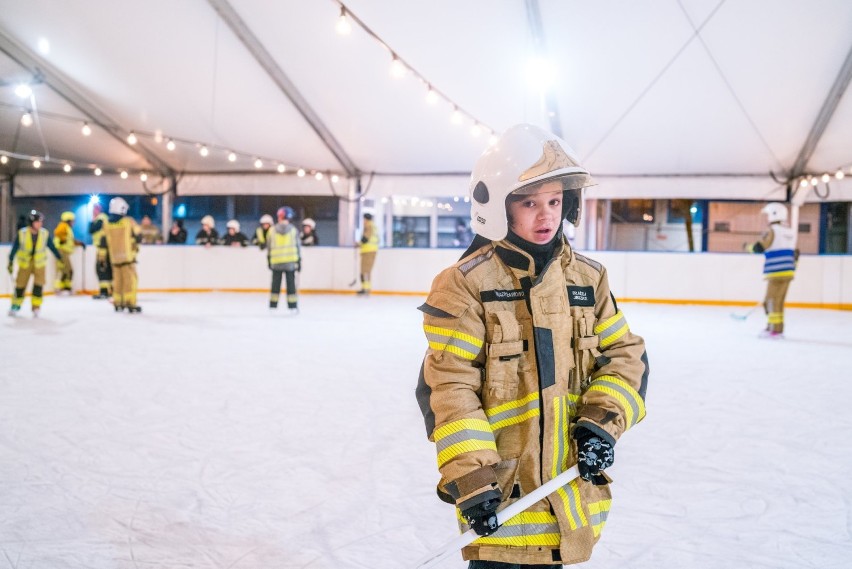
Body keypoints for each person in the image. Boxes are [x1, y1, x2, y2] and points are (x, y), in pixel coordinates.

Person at [414, 124, 649, 568]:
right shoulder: (465, 285)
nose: (546, 217)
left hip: (567, 499)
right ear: (499, 207)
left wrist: (603, 424)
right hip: (503, 500)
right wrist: (473, 478)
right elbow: (449, 389)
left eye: (555, 202)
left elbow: (626, 356)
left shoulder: (588, 278)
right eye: (529, 203)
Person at [745, 202, 797, 338]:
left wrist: (747, 247)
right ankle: (778, 329)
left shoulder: (772, 230)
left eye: (768, 214)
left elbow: (760, 247)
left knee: (770, 301)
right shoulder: (790, 231)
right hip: (788, 271)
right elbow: (795, 252)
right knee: (779, 301)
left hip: (776, 271)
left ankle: (773, 329)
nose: (767, 217)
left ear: (774, 214)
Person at [7, 210, 62, 317]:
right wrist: (10, 260)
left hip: (39, 264)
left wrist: (59, 257)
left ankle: (36, 307)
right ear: (31, 222)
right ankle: (15, 305)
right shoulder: (22, 233)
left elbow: (51, 246)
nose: (40, 224)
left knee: (38, 286)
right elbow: (15, 247)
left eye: (41, 222)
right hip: (25, 264)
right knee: (20, 286)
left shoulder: (44, 233)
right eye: (38, 222)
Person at [103, 197, 142, 313]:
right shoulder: (128, 221)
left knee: (117, 281)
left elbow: (103, 241)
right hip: (127, 258)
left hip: (114, 258)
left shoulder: (107, 224)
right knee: (130, 281)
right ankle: (130, 303)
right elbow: (138, 235)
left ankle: (118, 302)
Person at [267, 206, 301, 313]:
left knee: (275, 285)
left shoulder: (271, 230)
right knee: (291, 285)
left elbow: (269, 246)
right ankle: (292, 306)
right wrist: (299, 261)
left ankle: (273, 306)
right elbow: (297, 246)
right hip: (290, 262)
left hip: (276, 262)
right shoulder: (293, 230)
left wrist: (269, 259)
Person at [53, 211, 84, 294]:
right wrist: (62, 239)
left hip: (63, 251)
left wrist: (79, 243)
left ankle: (66, 287)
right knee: (66, 270)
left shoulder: (67, 228)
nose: (73, 223)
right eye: (72, 221)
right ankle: (62, 288)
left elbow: (70, 240)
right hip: (61, 251)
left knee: (67, 270)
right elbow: (58, 233)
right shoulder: (63, 225)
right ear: (68, 220)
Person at [88, 202, 113, 299]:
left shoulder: (101, 218)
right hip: (104, 246)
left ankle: (104, 291)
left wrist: (92, 219)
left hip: (103, 247)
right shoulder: (104, 218)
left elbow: (91, 230)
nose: (93, 211)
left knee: (101, 268)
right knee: (106, 268)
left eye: (95, 209)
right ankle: (109, 290)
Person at [357, 212, 379, 295]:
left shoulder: (368, 225)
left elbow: (366, 238)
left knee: (364, 271)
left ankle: (365, 289)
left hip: (368, 251)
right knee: (368, 271)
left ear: (365, 219)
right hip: (372, 250)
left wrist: (359, 244)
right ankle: (367, 288)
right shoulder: (374, 226)